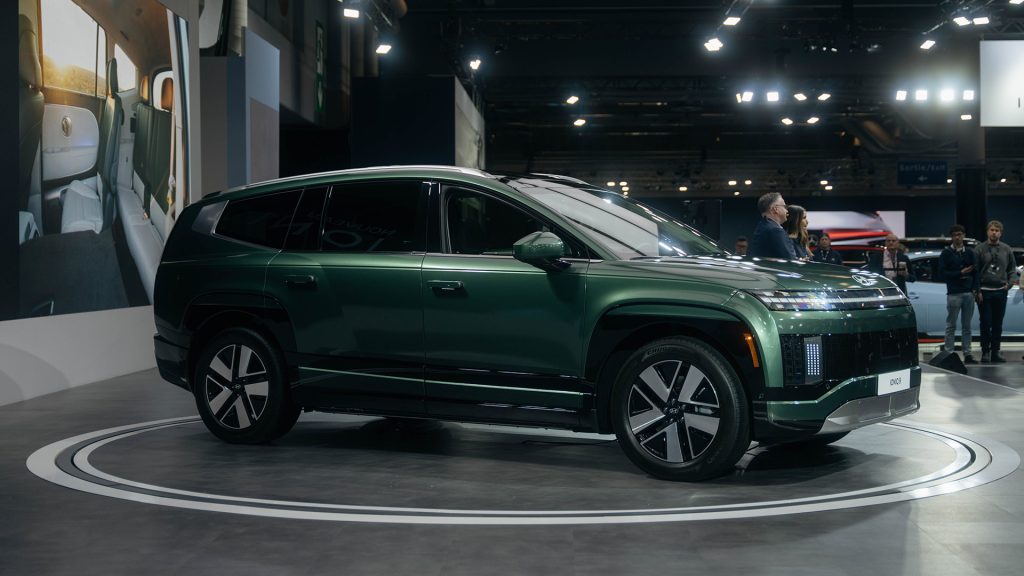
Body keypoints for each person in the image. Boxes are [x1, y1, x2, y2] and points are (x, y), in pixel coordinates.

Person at [973, 220, 1018, 363]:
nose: (994, 233)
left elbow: (1012, 270)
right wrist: (977, 290)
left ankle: (995, 352)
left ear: (1001, 233)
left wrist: (1009, 284)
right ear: (987, 231)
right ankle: (985, 352)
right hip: (984, 292)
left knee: (998, 324)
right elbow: (974, 271)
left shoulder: (1007, 249)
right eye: (992, 230)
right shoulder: (979, 249)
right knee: (986, 322)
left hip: (1001, 291)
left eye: (997, 230)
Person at [939, 225, 979, 364]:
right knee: (951, 325)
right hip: (954, 293)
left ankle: (967, 353)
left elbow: (976, 273)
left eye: (960, 234)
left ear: (964, 235)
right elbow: (942, 274)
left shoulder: (969, 252)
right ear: (952, 236)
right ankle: (949, 352)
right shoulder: (946, 253)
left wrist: (976, 290)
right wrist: (960, 273)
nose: (958, 237)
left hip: (968, 293)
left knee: (967, 325)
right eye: (955, 234)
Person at [748, 192, 797, 259]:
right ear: (776, 209)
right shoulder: (775, 231)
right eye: (784, 207)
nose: (787, 211)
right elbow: (790, 260)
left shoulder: (764, 226)